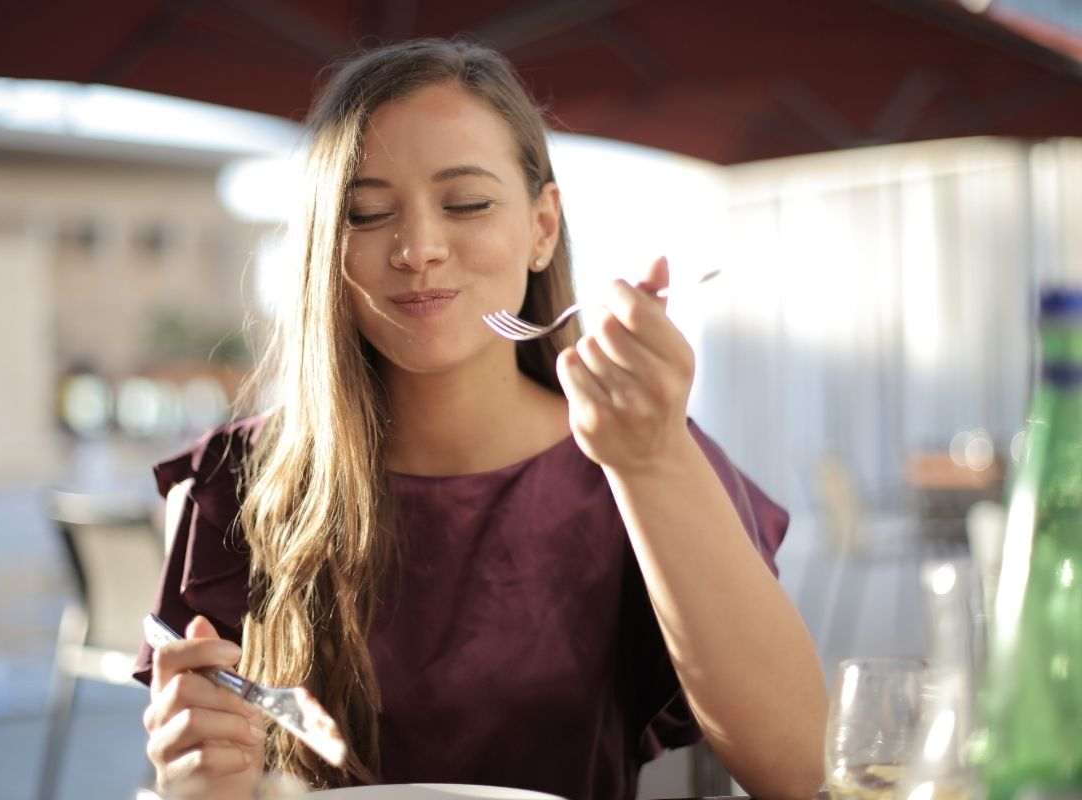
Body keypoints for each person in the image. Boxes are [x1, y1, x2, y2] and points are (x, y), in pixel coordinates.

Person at [134, 37, 827, 800]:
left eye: (467, 203)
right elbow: (199, 766)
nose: (419, 249)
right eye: (366, 214)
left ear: (542, 227)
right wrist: (191, 775)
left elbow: (800, 770)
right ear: (326, 249)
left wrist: (652, 459)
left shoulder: (638, 453)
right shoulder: (236, 483)